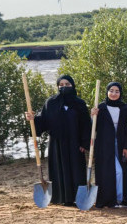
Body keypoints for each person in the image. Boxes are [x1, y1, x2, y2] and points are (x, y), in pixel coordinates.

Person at [25, 75, 91, 206]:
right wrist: (33, 119)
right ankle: (63, 198)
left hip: (75, 143)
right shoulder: (51, 102)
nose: (64, 87)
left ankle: (78, 197)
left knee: (76, 170)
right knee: (60, 169)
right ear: (57, 86)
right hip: (57, 144)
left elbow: (86, 125)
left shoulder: (79, 103)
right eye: (61, 84)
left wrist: (84, 143)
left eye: (67, 84)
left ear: (72, 85)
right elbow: (43, 121)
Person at [90, 82, 127, 208]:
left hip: (121, 145)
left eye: (117, 91)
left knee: (123, 171)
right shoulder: (101, 107)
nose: (114, 93)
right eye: (111, 90)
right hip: (105, 146)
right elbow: (94, 127)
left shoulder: (124, 108)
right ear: (107, 91)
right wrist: (93, 116)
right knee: (113, 172)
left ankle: (122, 199)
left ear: (120, 93)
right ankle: (112, 199)